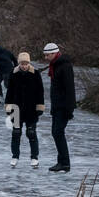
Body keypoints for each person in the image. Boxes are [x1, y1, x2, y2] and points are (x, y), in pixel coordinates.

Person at [4, 52, 44, 167]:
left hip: (31, 109)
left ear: (29, 63)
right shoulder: (13, 73)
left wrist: (40, 107)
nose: (24, 66)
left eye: (26, 63)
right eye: (22, 63)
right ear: (19, 63)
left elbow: (40, 92)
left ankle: (34, 157)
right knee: (16, 133)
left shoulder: (35, 74)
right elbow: (10, 91)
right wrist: (8, 106)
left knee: (31, 133)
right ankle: (15, 156)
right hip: (16, 109)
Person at [43, 43, 75, 173]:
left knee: (58, 132)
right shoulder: (54, 65)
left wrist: (69, 109)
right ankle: (61, 161)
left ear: (54, 53)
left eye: (47, 55)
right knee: (56, 133)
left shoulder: (64, 66)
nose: (45, 57)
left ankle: (65, 163)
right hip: (57, 106)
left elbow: (69, 89)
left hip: (63, 106)